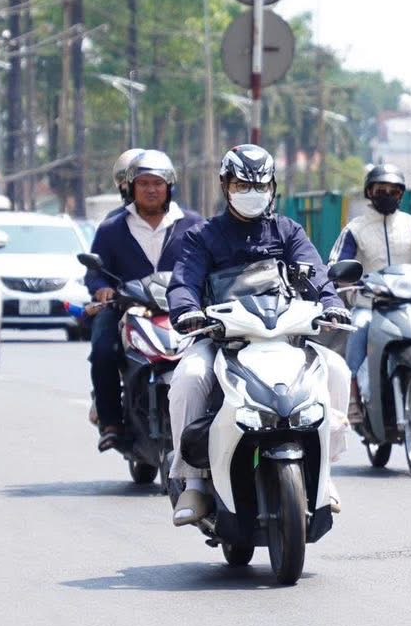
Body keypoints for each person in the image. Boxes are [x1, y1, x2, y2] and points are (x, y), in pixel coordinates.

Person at [165, 144, 352, 526]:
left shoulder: (288, 231)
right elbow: (183, 282)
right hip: (222, 339)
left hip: (283, 336)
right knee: (188, 380)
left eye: (259, 185)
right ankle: (193, 482)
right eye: (241, 184)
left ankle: (325, 475)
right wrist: (186, 311)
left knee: (336, 369)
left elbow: (316, 274)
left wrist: (332, 303)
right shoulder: (203, 236)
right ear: (225, 185)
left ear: (272, 187)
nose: (251, 192)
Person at [86, 149, 204, 453]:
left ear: (169, 188)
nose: (151, 189)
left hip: (182, 310)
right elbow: (94, 274)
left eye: (158, 183)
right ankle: (111, 421)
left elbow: (212, 265)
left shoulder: (193, 225)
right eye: (143, 183)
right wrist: (102, 290)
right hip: (127, 308)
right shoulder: (112, 228)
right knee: (102, 349)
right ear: (130, 188)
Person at [328, 163, 411, 425]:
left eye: (394, 191)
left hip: (410, 302)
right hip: (370, 303)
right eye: (381, 190)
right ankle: (354, 397)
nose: (387, 195)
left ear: (401, 195)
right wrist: (340, 279)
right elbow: (336, 263)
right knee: (358, 327)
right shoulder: (355, 229)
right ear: (370, 192)